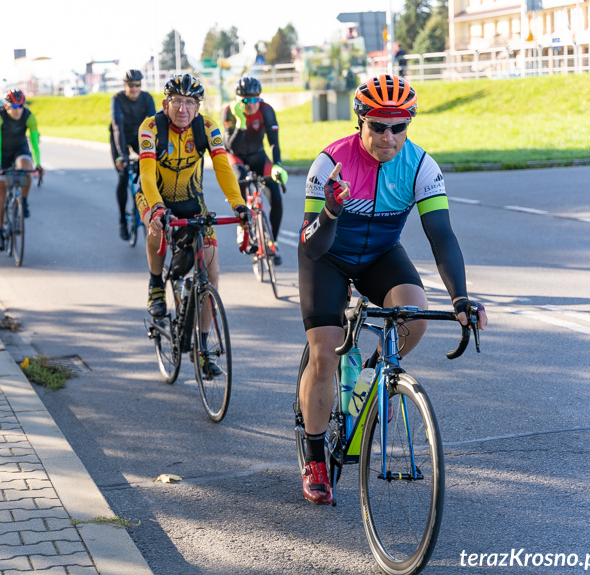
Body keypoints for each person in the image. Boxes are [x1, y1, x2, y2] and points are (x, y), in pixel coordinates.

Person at [296, 75, 488, 505]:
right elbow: (311, 242)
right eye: (379, 126)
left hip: (381, 253)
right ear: (361, 121)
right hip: (325, 256)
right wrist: (331, 210)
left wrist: (460, 298)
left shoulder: (422, 166)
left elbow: (441, 235)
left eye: (399, 126)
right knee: (324, 353)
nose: (389, 136)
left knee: (415, 316)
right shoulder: (330, 163)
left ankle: (373, 375)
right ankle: (314, 458)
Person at [137, 74, 250, 377]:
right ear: (166, 103)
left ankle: (203, 349)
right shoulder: (151, 128)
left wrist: (238, 204)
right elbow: (147, 174)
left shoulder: (207, 126)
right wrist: (158, 207)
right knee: (155, 224)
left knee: (211, 274)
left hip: (192, 201)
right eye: (177, 101)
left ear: (198, 107)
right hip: (154, 196)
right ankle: (155, 284)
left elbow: (223, 167)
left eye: (190, 102)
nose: (183, 108)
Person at [222, 76, 288, 265]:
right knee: (240, 178)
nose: (251, 104)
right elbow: (232, 148)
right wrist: (240, 122)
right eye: (245, 100)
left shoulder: (266, 110)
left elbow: (274, 142)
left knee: (275, 195)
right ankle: (242, 226)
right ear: (237, 100)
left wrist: (277, 165)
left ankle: (272, 242)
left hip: (259, 155)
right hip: (237, 157)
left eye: (255, 99)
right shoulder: (228, 112)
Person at [0, 89, 42, 251]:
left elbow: (34, 142)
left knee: (27, 168)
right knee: (0, 192)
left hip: (19, 148)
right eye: (14, 106)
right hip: (2, 152)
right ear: (6, 106)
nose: (18, 109)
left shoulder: (29, 116)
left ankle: (23, 201)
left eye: (21, 105)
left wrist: (38, 164)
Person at [110, 69, 156, 241]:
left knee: (148, 172)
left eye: (137, 85)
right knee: (123, 176)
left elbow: (153, 125)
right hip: (119, 137)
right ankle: (122, 219)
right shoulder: (118, 99)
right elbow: (117, 127)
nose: (135, 88)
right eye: (131, 85)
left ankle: (144, 204)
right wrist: (122, 155)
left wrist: (155, 151)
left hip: (139, 137)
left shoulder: (147, 98)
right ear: (125, 85)